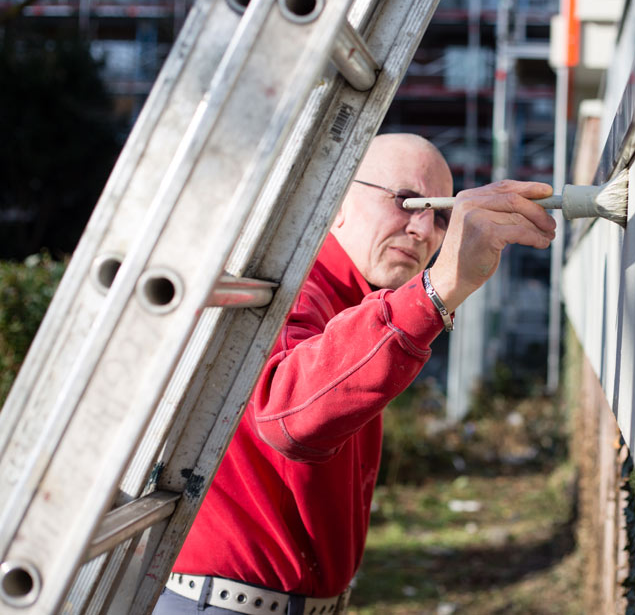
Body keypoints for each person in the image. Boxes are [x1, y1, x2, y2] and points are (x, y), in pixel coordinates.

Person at [153, 133, 557, 614]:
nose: (423, 230)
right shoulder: (292, 288)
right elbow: (286, 414)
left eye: (440, 215)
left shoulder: (349, 300)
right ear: (337, 198)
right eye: (408, 201)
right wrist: (435, 290)